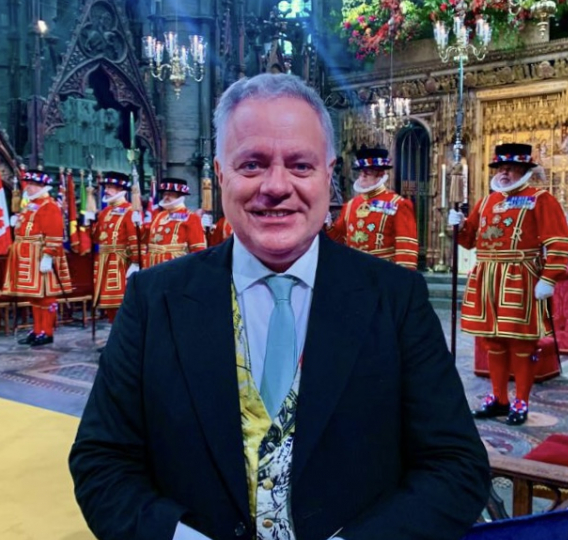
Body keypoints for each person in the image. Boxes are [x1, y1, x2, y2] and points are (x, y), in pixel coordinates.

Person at [70, 72, 489, 540]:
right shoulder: (154, 300)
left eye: (300, 166)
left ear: (330, 175)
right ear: (220, 172)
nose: (276, 186)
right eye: (251, 164)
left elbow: (457, 466)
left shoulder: (395, 298)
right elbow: (102, 461)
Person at [448, 143, 568, 426]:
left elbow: (558, 241)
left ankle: (521, 401)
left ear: (523, 170)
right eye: (500, 168)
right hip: (487, 276)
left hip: (521, 276)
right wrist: (459, 226)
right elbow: (469, 241)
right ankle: (499, 397)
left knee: (521, 342)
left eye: (510, 168)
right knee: (493, 341)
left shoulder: (540, 199)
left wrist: (549, 277)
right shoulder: (487, 201)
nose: (504, 173)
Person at [2, 171, 72, 347]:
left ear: (42, 186)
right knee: (34, 297)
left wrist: (48, 255)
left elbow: (55, 233)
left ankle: (47, 332)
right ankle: (37, 329)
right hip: (27, 254)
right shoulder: (31, 205)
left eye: (32, 184)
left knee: (46, 296)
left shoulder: (50, 206)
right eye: (27, 184)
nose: (28, 187)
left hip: (40, 255)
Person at [326, 145, 419, 270]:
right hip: (353, 271)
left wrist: (403, 279)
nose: (362, 175)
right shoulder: (350, 205)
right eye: (361, 171)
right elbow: (338, 238)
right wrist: (326, 224)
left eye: (368, 171)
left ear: (380, 174)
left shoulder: (398, 204)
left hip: (383, 272)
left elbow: (406, 248)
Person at [91, 171, 140, 323]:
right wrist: (89, 223)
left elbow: (134, 238)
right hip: (104, 260)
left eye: (111, 187)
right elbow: (96, 237)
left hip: (120, 261)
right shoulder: (104, 212)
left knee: (121, 302)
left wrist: (136, 261)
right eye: (106, 186)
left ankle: (123, 340)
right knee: (109, 304)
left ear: (120, 190)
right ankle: (114, 339)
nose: (106, 190)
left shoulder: (129, 210)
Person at [142, 177, 207, 267]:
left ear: (180, 196)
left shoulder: (191, 217)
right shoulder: (159, 215)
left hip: (175, 265)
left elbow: (198, 248)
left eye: (171, 194)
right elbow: (145, 238)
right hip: (153, 265)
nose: (166, 197)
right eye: (165, 194)